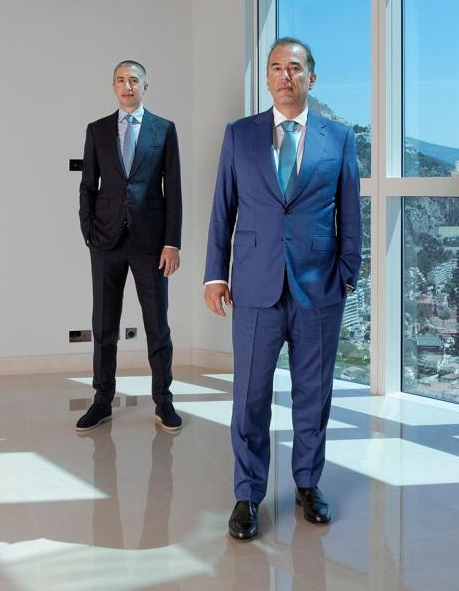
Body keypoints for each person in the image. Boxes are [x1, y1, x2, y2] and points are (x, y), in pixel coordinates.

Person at [203, 37, 362, 541]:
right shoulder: (240, 135)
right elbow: (222, 208)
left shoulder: (339, 138)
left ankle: (308, 484)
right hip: (254, 284)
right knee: (250, 394)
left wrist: (348, 271)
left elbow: (351, 210)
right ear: (267, 78)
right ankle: (248, 494)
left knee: (313, 395)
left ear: (311, 78)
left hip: (319, 287)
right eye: (276, 68)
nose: (285, 76)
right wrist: (215, 274)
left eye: (294, 68)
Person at [77, 60, 183, 433]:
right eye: (120, 80)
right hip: (105, 242)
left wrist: (172, 243)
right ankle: (102, 401)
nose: (127, 86)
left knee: (157, 325)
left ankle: (163, 402)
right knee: (104, 326)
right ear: (113, 86)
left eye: (133, 80)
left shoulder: (164, 130)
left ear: (145, 87)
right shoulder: (97, 130)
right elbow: (88, 185)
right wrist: (87, 229)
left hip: (151, 244)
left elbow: (174, 192)